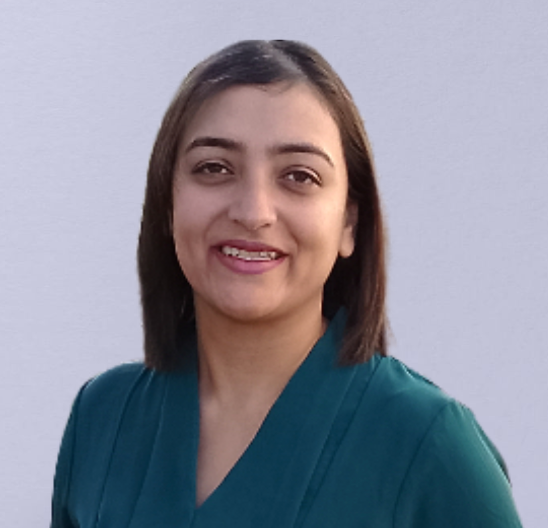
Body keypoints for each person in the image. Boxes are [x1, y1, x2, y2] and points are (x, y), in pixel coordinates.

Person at [51, 40, 522, 527]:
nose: (253, 212)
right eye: (214, 168)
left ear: (349, 223)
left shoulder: (430, 444)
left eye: (299, 176)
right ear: (168, 204)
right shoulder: (102, 418)